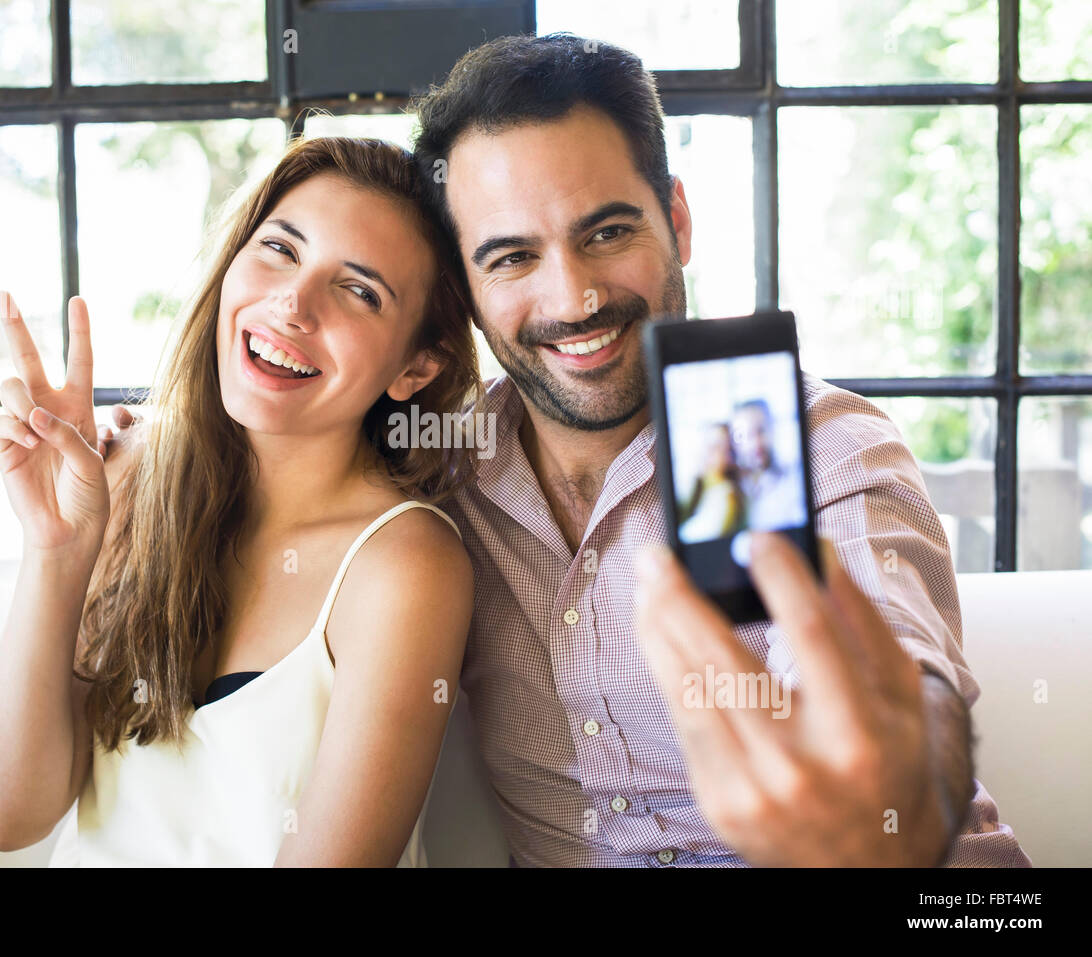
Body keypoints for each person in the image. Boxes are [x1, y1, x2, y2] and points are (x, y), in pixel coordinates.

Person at [104, 36, 1031, 868]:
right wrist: (150, 449)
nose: (575, 296)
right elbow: (297, 439)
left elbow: (908, 695)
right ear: (464, 292)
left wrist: (882, 794)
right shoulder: (444, 473)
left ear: (678, 217)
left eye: (608, 232)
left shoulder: (818, 447)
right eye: (511, 257)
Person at [0, 136, 480, 866]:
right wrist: (56, 549)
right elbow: (7, 816)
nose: (292, 304)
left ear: (416, 366)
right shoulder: (132, 477)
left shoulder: (404, 563)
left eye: (359, 290)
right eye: (279, 249)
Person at [729, 398, 807, 532]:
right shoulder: (732, 489)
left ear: (773, 429)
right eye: (743, 435)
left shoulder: (795, 477)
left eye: (761, 431)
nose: (755, 443)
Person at [677, 422, 746, 542]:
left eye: (715, 447)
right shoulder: (700, 487)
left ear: (730, 456)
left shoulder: (726, 495)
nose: (705, 451)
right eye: (704, 444)